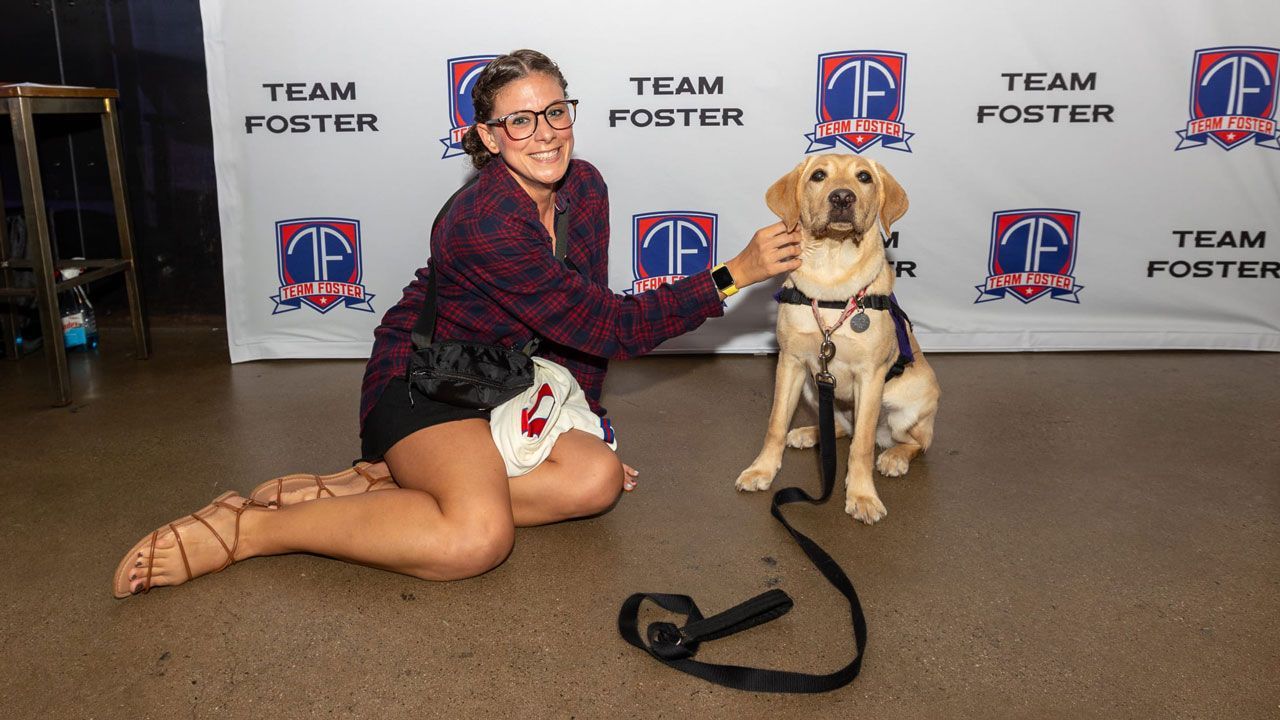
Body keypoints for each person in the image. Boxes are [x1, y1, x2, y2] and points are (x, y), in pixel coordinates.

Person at [112, 49, 801, 598]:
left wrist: (587, 419)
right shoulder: (483, 220)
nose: (545, 133)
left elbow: (582, 322)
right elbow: (612, 325)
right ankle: (256, 530)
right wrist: (732, 272)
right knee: (475, 541)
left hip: (511, 381)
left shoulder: (584, 186)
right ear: (488, 135)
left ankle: (380, 485)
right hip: (427, 380)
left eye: (555, 112)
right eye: (520, 120)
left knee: (594, 480)